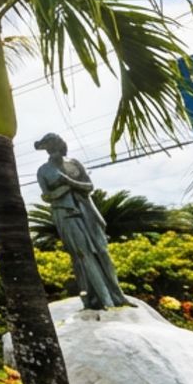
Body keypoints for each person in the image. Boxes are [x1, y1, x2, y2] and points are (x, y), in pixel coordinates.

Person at [34, 133, 126, 310]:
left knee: (102, 252)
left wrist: (69, 182)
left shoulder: (74, 163)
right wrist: (63, 190)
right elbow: (47, 196)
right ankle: (103, 299)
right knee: (83, 255)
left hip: (87, 211)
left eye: (56, 144)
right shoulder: (43, 170)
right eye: (49, 146)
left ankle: (117, 295)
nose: (54, 149)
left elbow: (89, 186)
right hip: (65, 213)